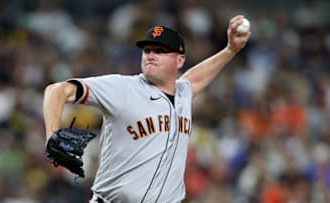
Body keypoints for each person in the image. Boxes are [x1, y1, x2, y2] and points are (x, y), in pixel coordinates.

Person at [43, 15, 251, 203]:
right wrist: (51, 134)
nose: (151, 55)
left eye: (160, 51)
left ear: (180, 60)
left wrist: (230, 50)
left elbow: (195, 78)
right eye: (147, 50)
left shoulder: (183, 93)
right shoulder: (122, 88)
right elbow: (57, 91)